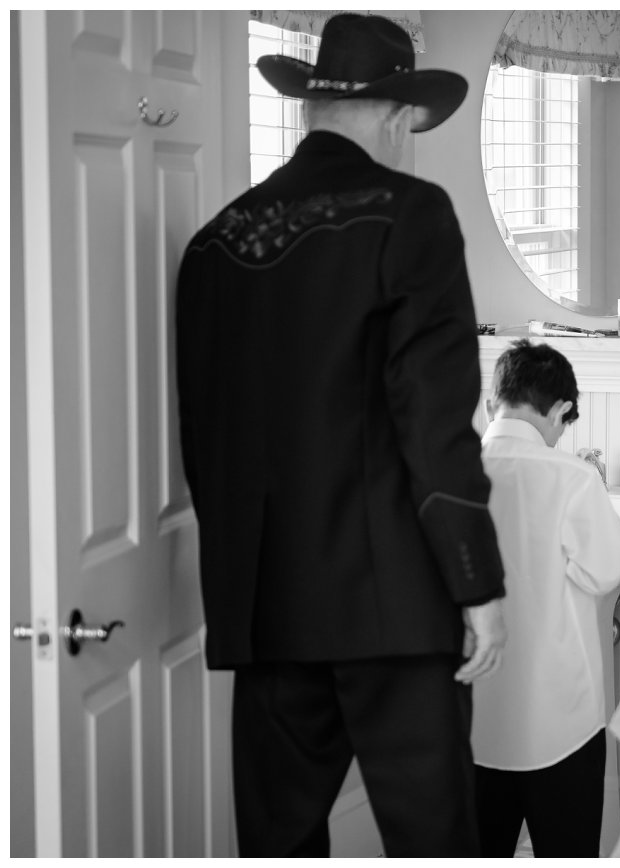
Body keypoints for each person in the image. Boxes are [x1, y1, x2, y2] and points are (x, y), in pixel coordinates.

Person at [175, 14, 507, 857]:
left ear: (313, 109)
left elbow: (205, 441)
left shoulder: (215, 244)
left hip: (269, 612)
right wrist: (477, 584)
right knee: (435, 842)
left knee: (279, 842)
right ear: (397, 116)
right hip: (393, 605)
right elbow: (434, 420)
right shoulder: (410, 213)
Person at [471, 339, 620, 857]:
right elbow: (606, 569)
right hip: (558, 720)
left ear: (494, 402)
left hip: (469, 719)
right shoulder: (573, 478)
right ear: (561, 409)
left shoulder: (451, 475)